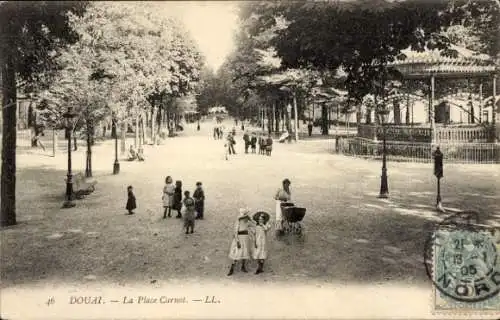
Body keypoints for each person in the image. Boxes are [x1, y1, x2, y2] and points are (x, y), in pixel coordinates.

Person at [227, 208, 255, 276]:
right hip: (239, 238)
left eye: (245, 216)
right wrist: (237, 241)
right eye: (243, 217)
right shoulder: (238, 222)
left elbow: (254, 224)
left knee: (244, 252)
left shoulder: (247, 222)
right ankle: (232, 268)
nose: (244, 218)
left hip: (245, 238)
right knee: (236, 253)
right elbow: (235, 232)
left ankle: (243, 266)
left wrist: (250, 219)